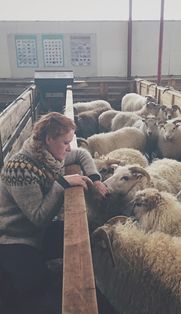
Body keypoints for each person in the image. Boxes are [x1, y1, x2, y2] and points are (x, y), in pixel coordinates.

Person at [0, 112, 108, 313]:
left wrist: (95, 178)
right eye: (65, 142)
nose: (69, 148)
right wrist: (61, 185)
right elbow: (38, 218)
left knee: (86, 238)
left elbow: (82, 154)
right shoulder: (20, 167)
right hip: (15, 238)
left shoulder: (50, 156)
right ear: (49, 139)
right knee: (34, 289)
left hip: (37, 233)